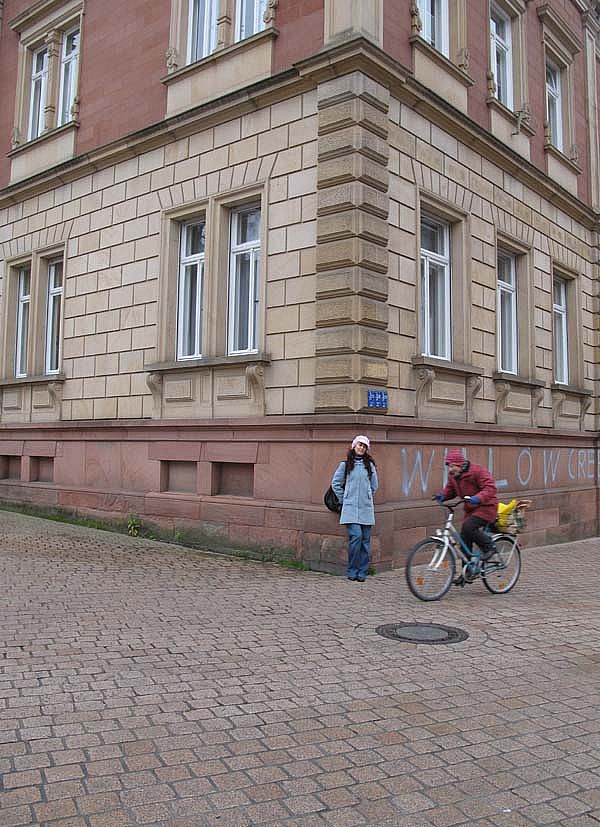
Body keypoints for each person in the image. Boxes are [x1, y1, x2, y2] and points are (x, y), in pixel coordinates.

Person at [435, 450, 498, 561]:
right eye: (448, 466)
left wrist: (478, 498)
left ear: (460, 464)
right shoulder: (454, 476)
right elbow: (450, 490)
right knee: (464, 539)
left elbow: (490, 488)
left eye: (452, 466)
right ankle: (467, 570)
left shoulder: (478, 471)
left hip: (486, 507)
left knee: (468, 527)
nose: (450, 469)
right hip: (471, 510)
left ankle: (489, 547)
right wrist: (442, 496)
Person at [331, 435, 378, 582]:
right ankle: (352, 569)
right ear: (354, 446)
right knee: (356, 537)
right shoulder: (345, 465)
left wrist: (367, 496)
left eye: (364, 446)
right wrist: (344, 499)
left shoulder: (369, 466)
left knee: (365, 541)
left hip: (366, 508)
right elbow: (335, 483)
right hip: (350, 509)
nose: (361, 448)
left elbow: (374, 485)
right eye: (359, 445)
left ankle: (362, 571)